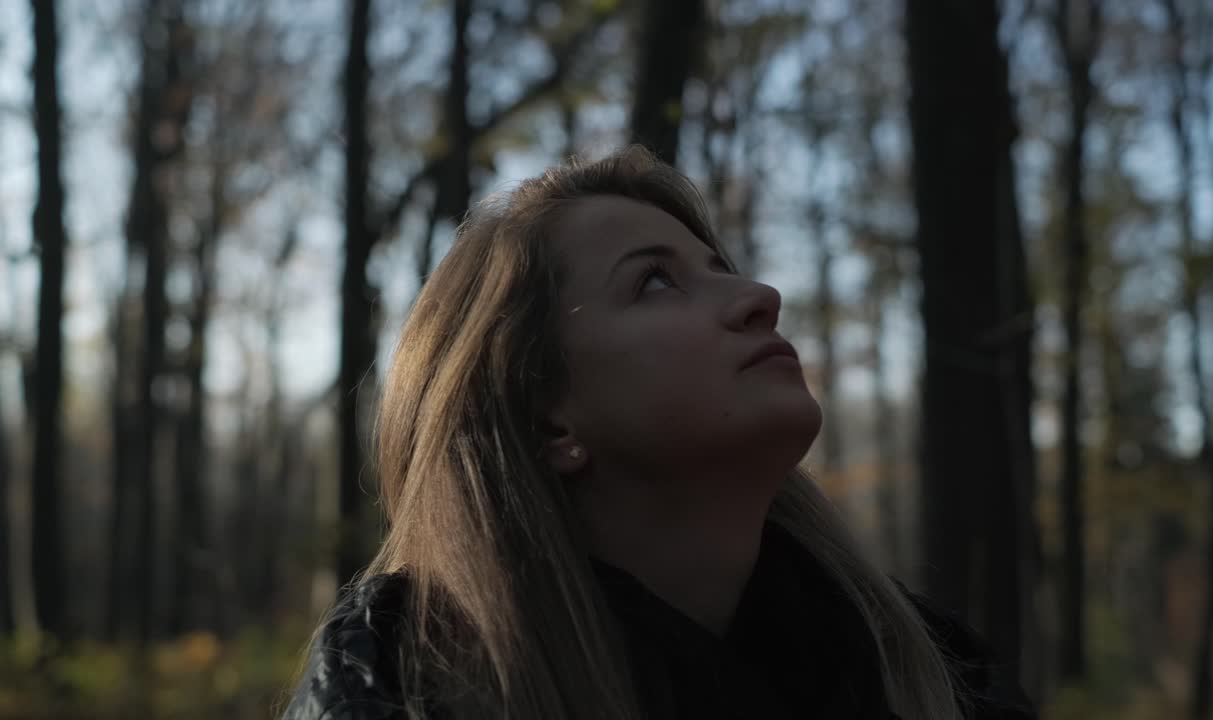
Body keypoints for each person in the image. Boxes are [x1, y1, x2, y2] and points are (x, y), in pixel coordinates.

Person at [278, 145, 1037, 720]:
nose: (760, 295)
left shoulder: (940, 679)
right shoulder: (400, 694)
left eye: (720, 268)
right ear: (546, 419)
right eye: (656, 281)